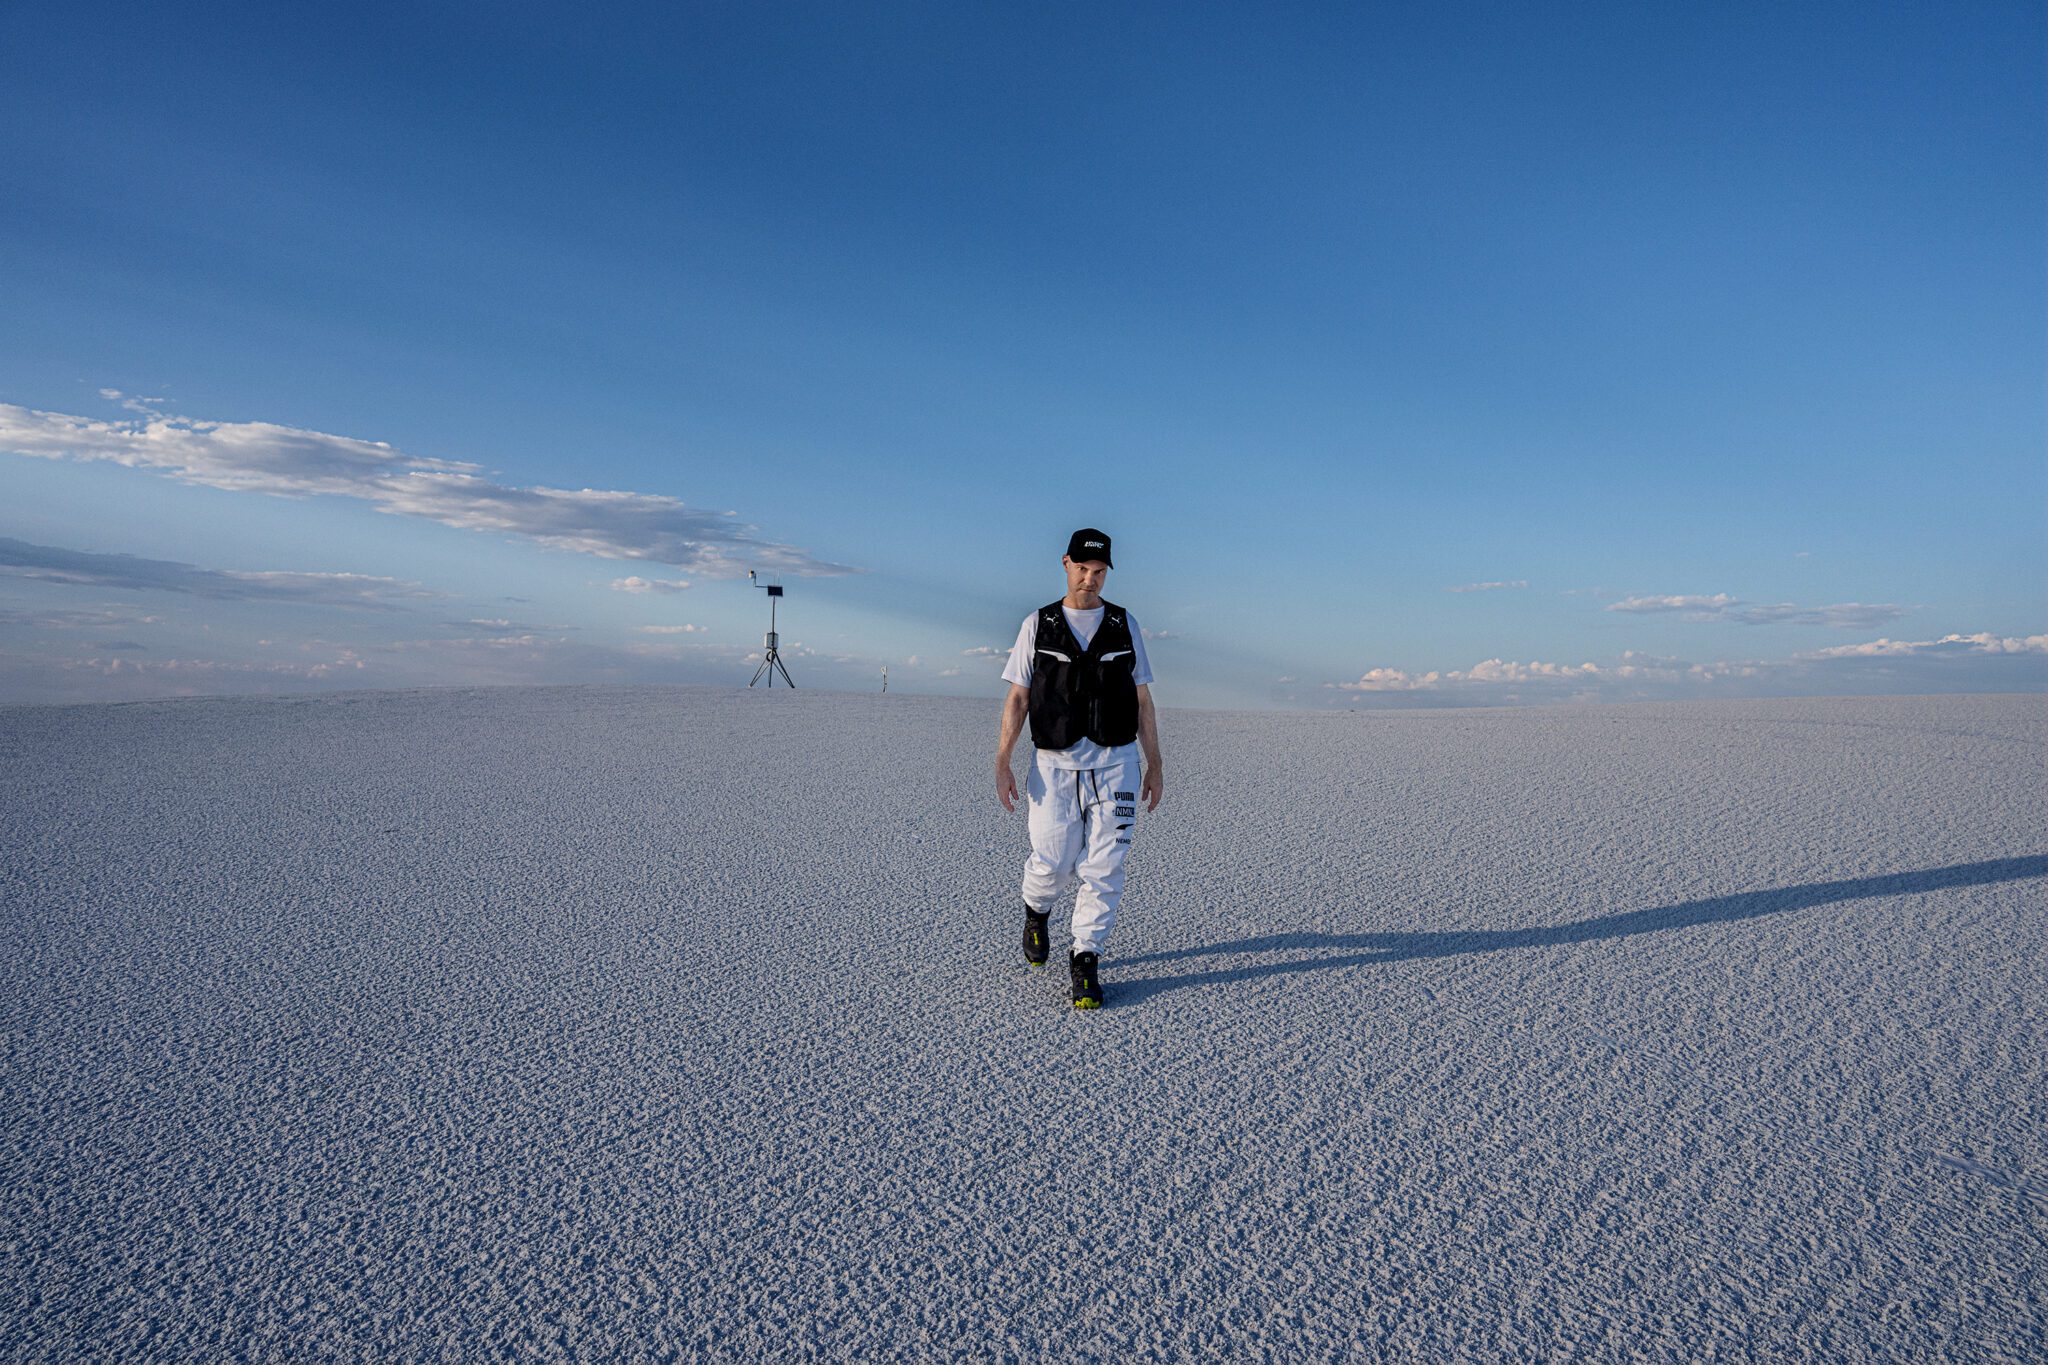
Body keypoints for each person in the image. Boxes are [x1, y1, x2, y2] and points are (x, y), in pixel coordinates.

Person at [994, 527, 1164, 1008]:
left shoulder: (1123, 624)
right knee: (1053, 861)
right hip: (1053, 764)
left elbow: (1143, 699)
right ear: (1065, 563)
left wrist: (1155, 764)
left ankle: (1085, 959)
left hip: (1117, 763)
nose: (1090, 580)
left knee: (1105, 867)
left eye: (1100, 572)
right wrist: (1003, 760)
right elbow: (1018, 697)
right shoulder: (1039, 623)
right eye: (1083, 570)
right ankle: (1037, 910)